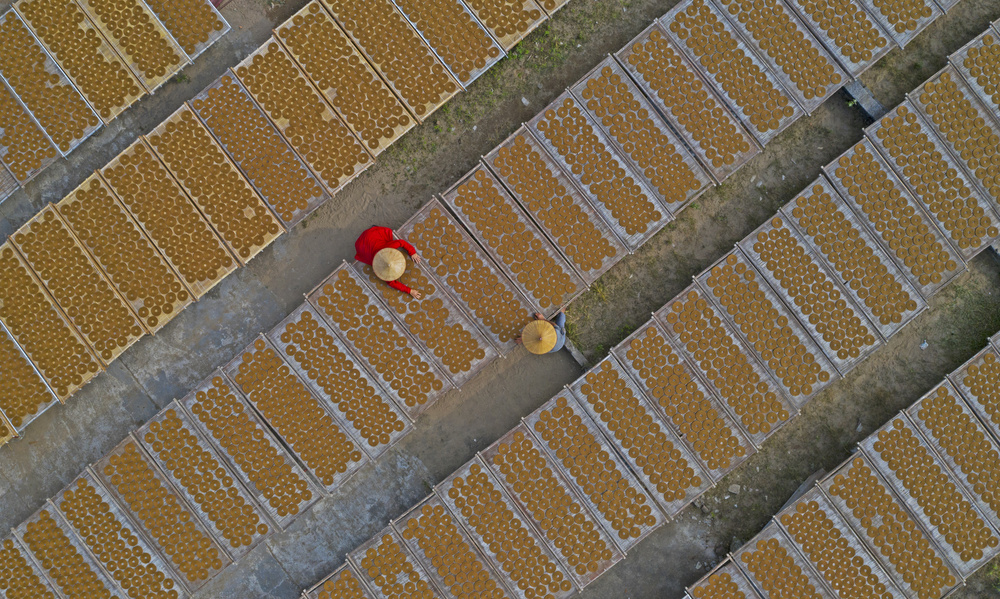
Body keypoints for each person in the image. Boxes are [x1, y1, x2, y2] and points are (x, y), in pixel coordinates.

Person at [354, 226, 424, 299]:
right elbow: (392, 283)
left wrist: (412, 252)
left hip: (369, 238)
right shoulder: (380, 266)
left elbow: (401, 242)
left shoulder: (388, 247)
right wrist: (410, 291)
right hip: (364, 242)